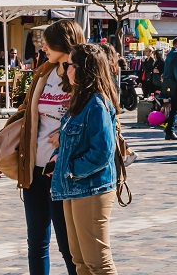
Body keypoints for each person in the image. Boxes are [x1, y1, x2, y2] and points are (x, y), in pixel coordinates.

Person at [0, 19, 84, 275]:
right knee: (36, 242)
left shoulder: (83, 74)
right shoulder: (44, 72)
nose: (43, 46)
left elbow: (96, 117)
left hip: (63, 170)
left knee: (69, 245)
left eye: (48, 42)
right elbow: (27, 110)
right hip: (34, 167)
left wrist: (66, 133)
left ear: (64, 43)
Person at [51, 43, 119, 275]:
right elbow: (74, 142)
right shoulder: (79, 101)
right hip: (74, 187)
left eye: (69, 64)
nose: (65, 69)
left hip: (92, 188)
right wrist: (59, 160)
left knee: (98, 263)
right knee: (79, 260)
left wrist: (70, 168)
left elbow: (102, 152)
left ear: (82, 68)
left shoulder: (96, 104)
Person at [161, 38, 177, 141]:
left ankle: (169, 128)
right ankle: (170, 130)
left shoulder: (171, 53)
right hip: (175, 85)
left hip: (169, 84)